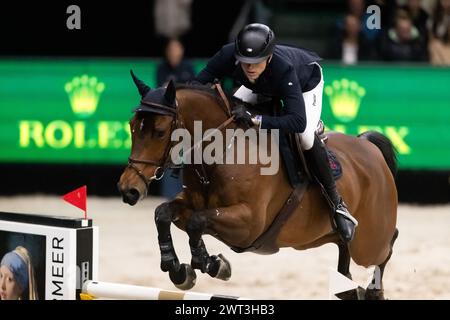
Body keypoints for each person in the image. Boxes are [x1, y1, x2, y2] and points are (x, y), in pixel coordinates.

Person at [193, 23, 358, 242]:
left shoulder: (284, 68)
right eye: (245, 62)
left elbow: (297, 122)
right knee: (231, 113)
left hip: (305, 84)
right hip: (261, 86)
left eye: (257, 62)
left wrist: (256, 120)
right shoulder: (228, 55)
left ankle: (337, 204)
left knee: (306, 136)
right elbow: (196, 86)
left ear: (269, 58)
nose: (250, 68)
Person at [156, 39, 195, 199]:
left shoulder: (188, 67)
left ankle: (191, 192)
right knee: (169, 152)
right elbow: (160, 91)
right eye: (170, 50)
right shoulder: (161, 68)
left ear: (182, 51)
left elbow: (193, 90)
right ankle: (171, 195)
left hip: (187, 117)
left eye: (176, 49)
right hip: (169, 117)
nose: (173, 53)